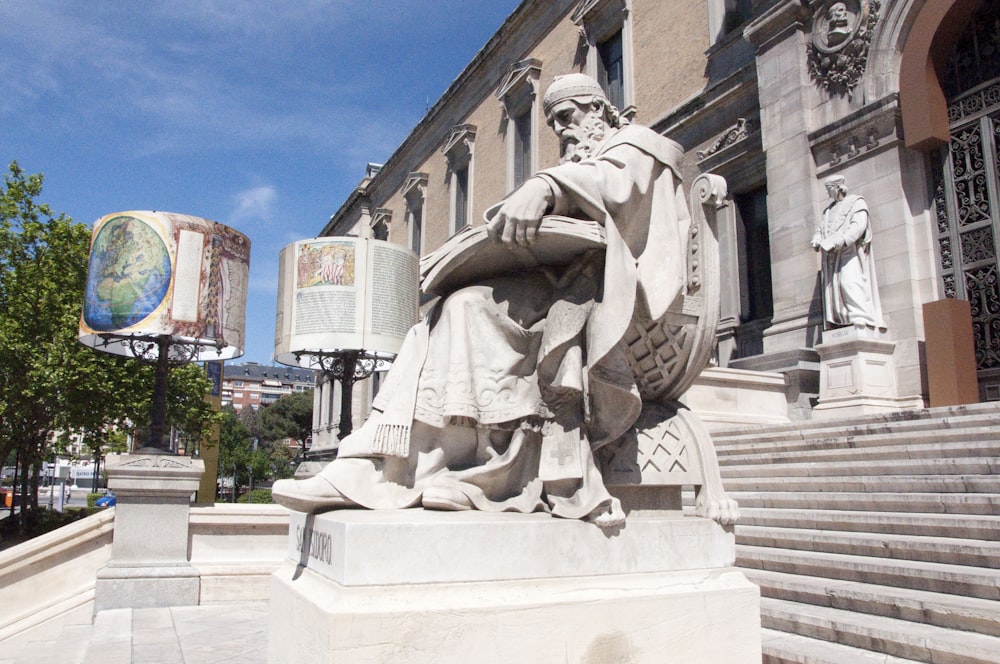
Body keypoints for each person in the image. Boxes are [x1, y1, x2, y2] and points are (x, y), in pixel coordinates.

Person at [272, 74, 690, 527]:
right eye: (552, 124)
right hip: (563, 287)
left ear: (598, 110)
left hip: (615, 298)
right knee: (448, 311)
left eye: (567, 117)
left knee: (468, 309)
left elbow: (616, 187)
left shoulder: (638, 146)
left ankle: (471, 470)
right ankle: (392, 465)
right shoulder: (578, 167)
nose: (562, 131)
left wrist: (546, 186)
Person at [811, 175, 885, 330]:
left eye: (828, 189)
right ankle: (844, 319)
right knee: (835, 288)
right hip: (832, 257)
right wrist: (817, 240)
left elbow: (858, 226)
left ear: (837, 187)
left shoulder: (856, 202)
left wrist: (840, 241)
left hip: (848, 250)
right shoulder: (828, 211)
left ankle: (860, 316)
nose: (827, 193)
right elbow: (821, 229)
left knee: (849, 281)